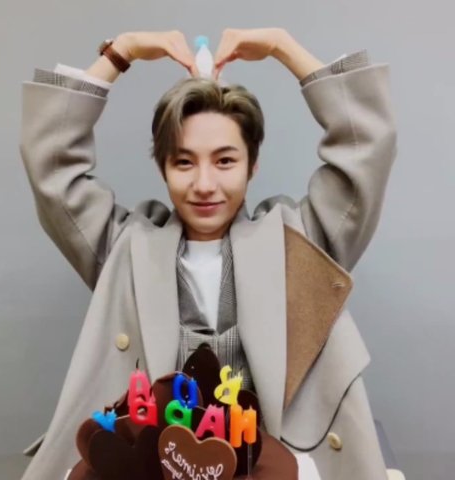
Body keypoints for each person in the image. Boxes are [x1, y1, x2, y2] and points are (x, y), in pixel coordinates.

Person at [20, 28, 396, 480]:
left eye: (224, 161)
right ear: (162, 167)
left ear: (252, 164)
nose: (204, 184)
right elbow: (52, 165)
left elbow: (365, 149)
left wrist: (283, 47)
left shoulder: (299, 243)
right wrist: (121, 52)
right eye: (183, 161)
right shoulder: (124, 246)